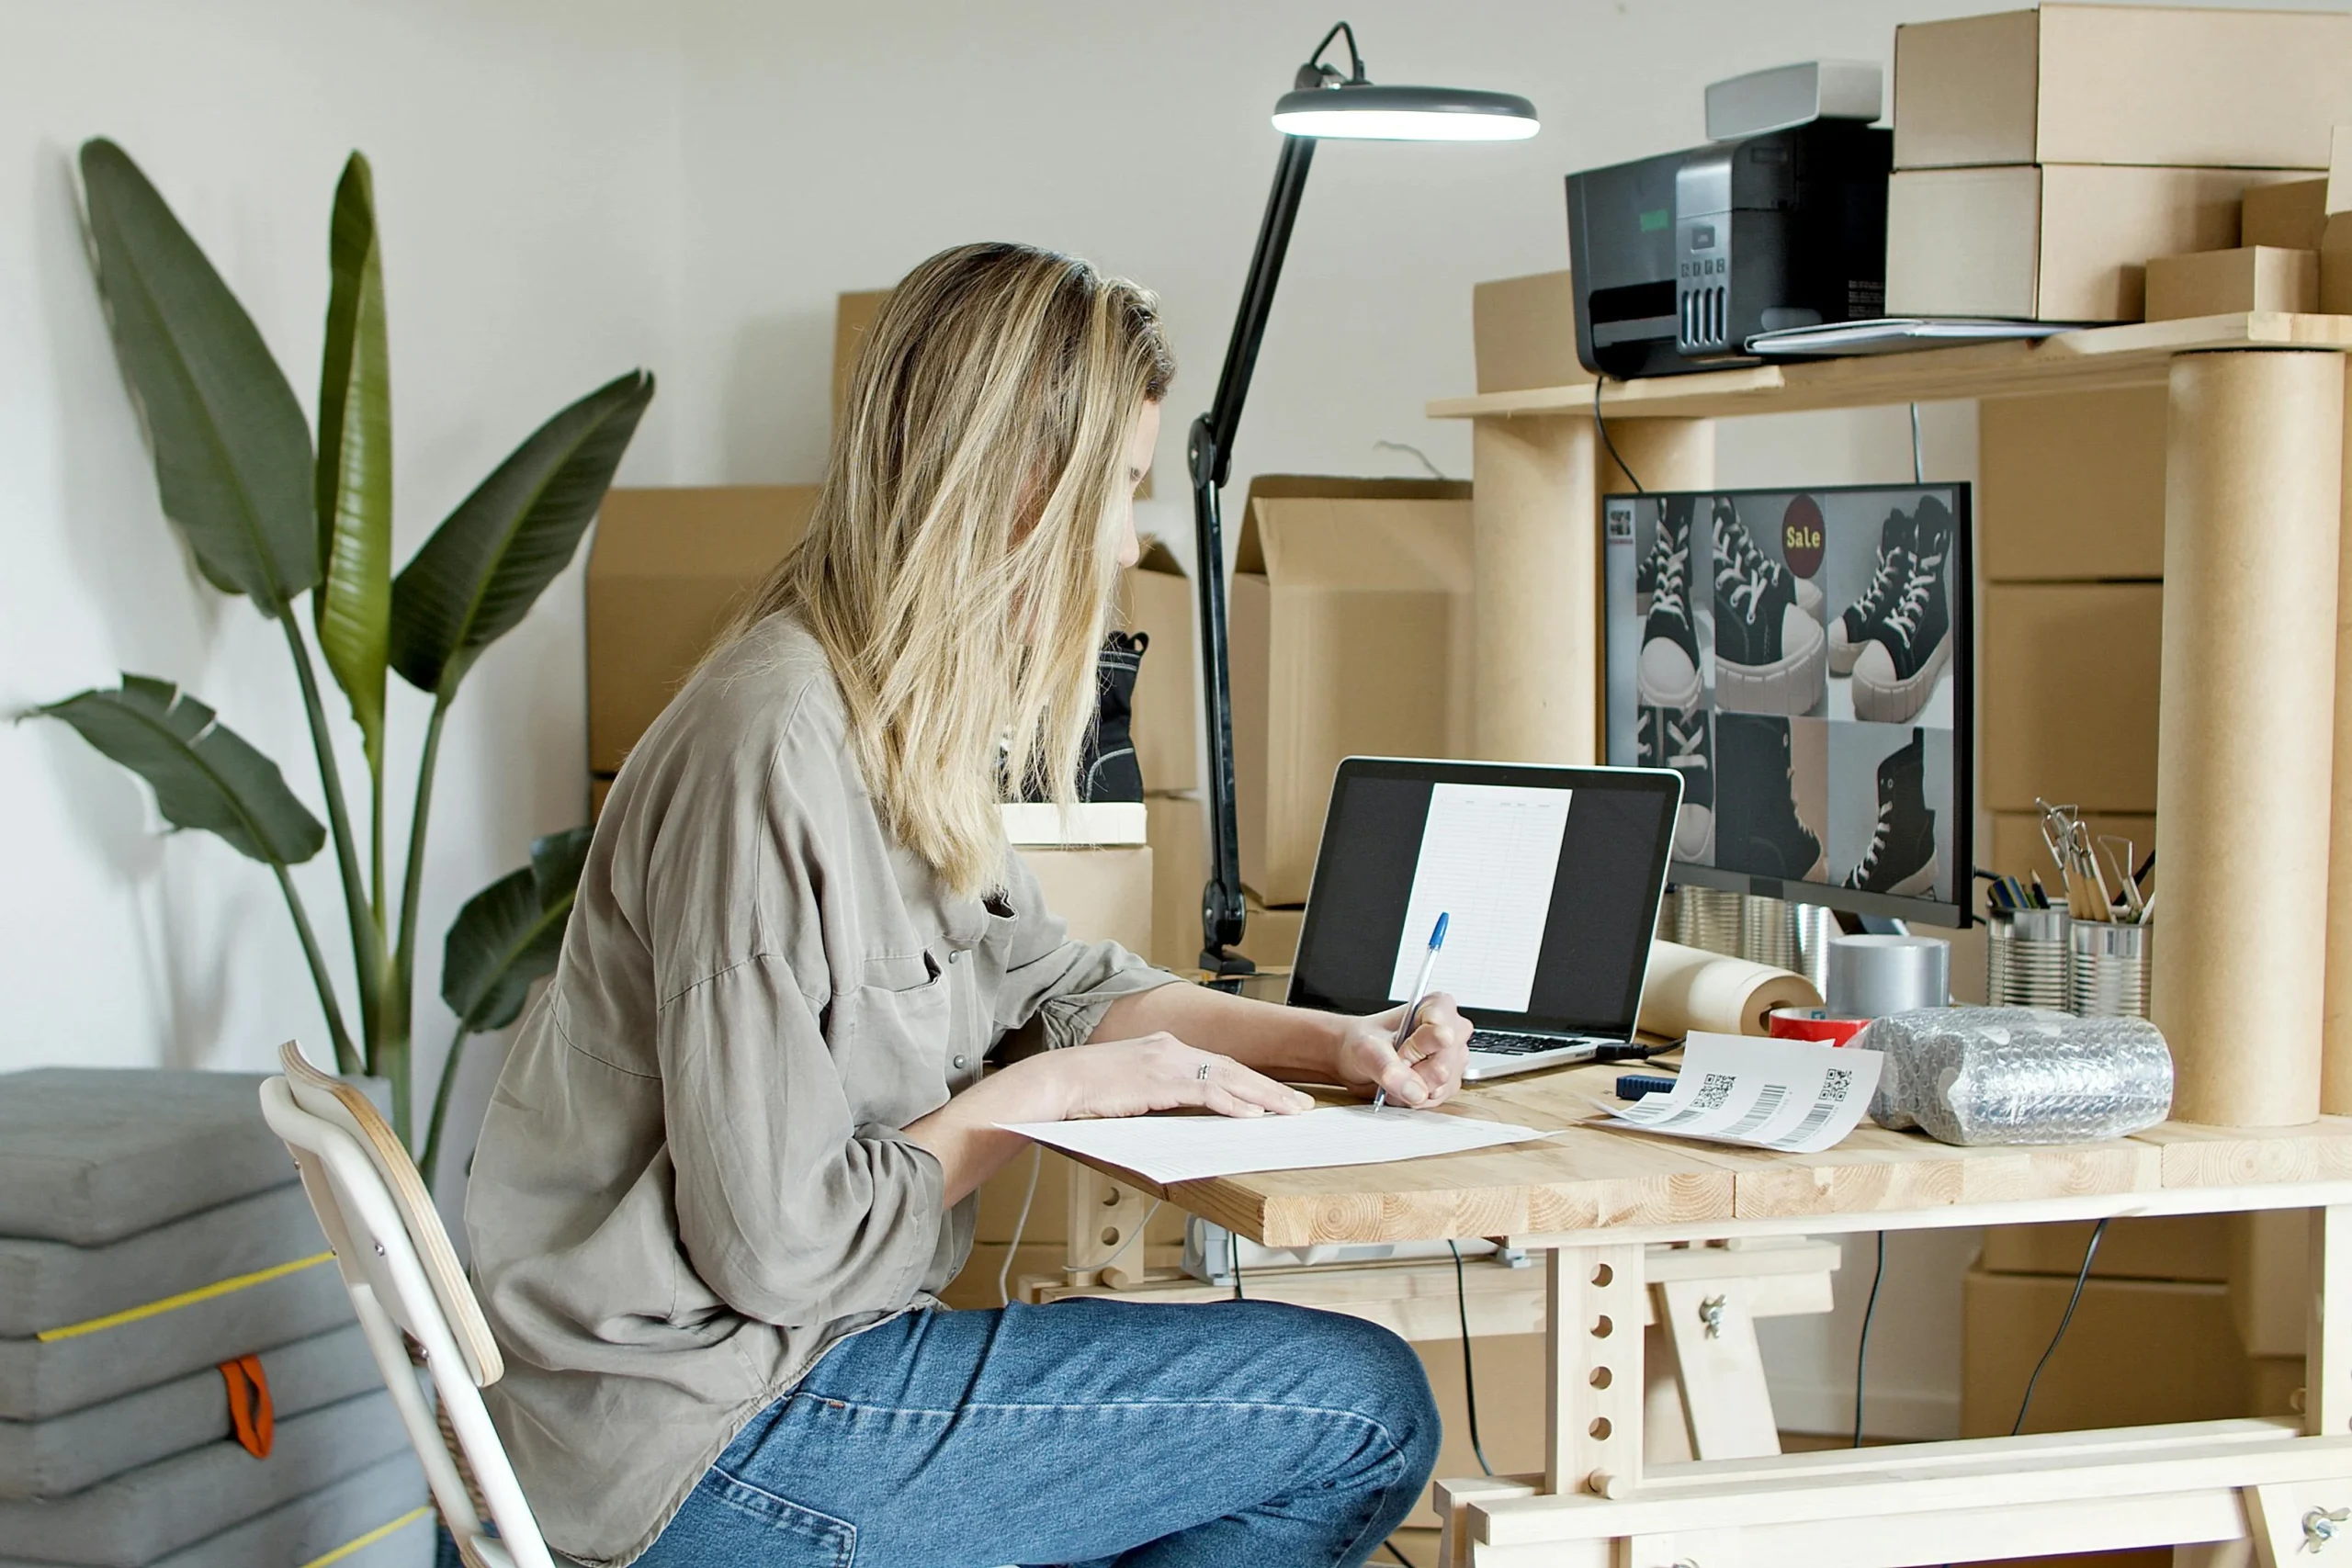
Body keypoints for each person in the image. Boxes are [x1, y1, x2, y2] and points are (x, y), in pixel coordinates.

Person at [466, 241, 1473, 1568]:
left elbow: (1054, 981)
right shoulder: (767, 744)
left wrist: (1328, 1035)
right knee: (1360, 1409)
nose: (1127, 544)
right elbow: (778, 1246)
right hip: (698, 1445)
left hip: (762, 1387)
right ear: (1017, 488)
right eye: (1118, 490)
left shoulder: (897, 720)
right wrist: (1037, 1099)